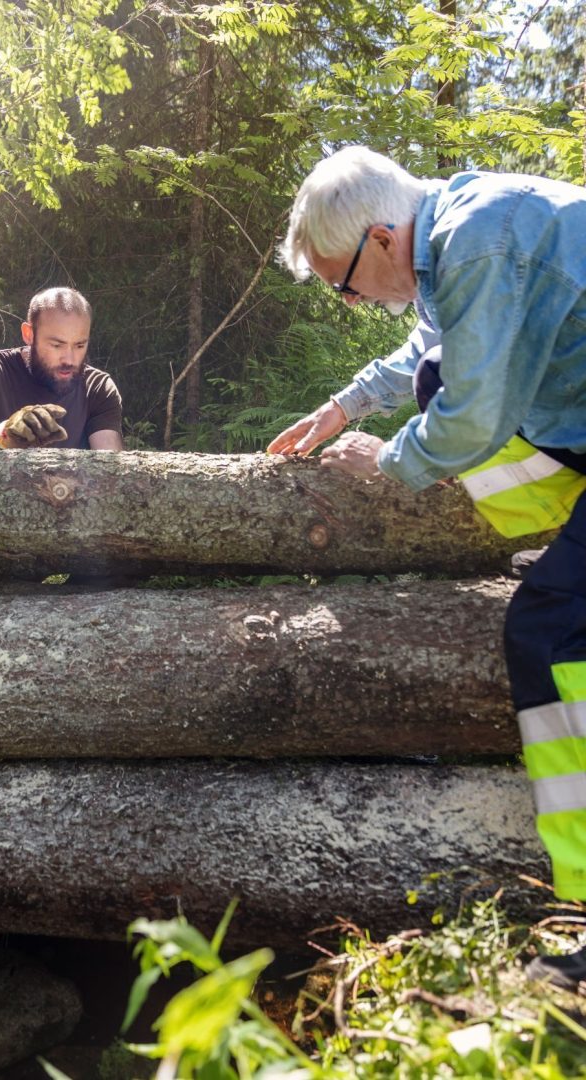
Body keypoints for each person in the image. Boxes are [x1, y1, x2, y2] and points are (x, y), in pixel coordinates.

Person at [268, 145, 586, 992]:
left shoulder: (481, 241)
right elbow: (426, 347)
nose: (350, 300)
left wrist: (386, 462)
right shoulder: (459, 233)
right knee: (427, 372)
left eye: (343, 282)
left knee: (552, 630)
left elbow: (475, 410)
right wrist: (343, 405)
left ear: (380, 238)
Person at [0, 287, 123, 451]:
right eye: (56, 345)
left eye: (79, 345)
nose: (69, 359)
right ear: (29, 334)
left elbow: (110, 466)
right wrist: (2, 436)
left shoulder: (97, 388)